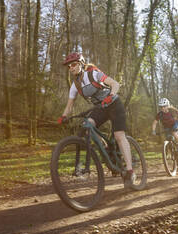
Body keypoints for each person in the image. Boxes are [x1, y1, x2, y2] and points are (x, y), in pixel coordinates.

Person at [57, 52, 135, 188]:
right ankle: (107, 151)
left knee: (119, 136)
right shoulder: (75, 85)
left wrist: (110, 95)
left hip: (114, 104)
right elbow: (69, 106)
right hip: (100, 108)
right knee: (87, 127)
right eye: (69, 66)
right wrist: (63, 117)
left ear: (81, 64)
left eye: (74, 64)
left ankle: (130, 171)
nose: (71, 68)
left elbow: (115, 84)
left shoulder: (93, 74)